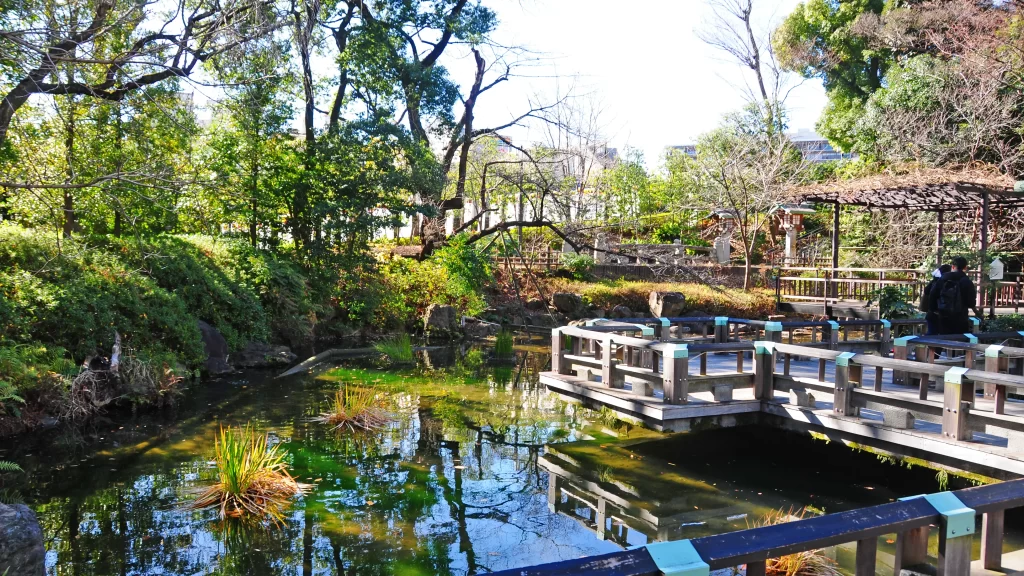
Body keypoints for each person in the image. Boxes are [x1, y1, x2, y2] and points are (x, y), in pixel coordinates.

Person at [928, 256, 981, 335]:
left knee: (944, 340)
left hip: (943, 316)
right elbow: (971, 302)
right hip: (961, 317)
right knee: (959, 342)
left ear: (953, 266)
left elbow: (932, 295)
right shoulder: (966, 281)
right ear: (965, 267)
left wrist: (935, 310)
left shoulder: (943, 279)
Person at [921, 264, 952, 335]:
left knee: (931, 333)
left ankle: (928, 345)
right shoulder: (943, 283)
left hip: (931, 313)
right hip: (939, 314)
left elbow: (927, 292)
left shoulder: (934, 282)